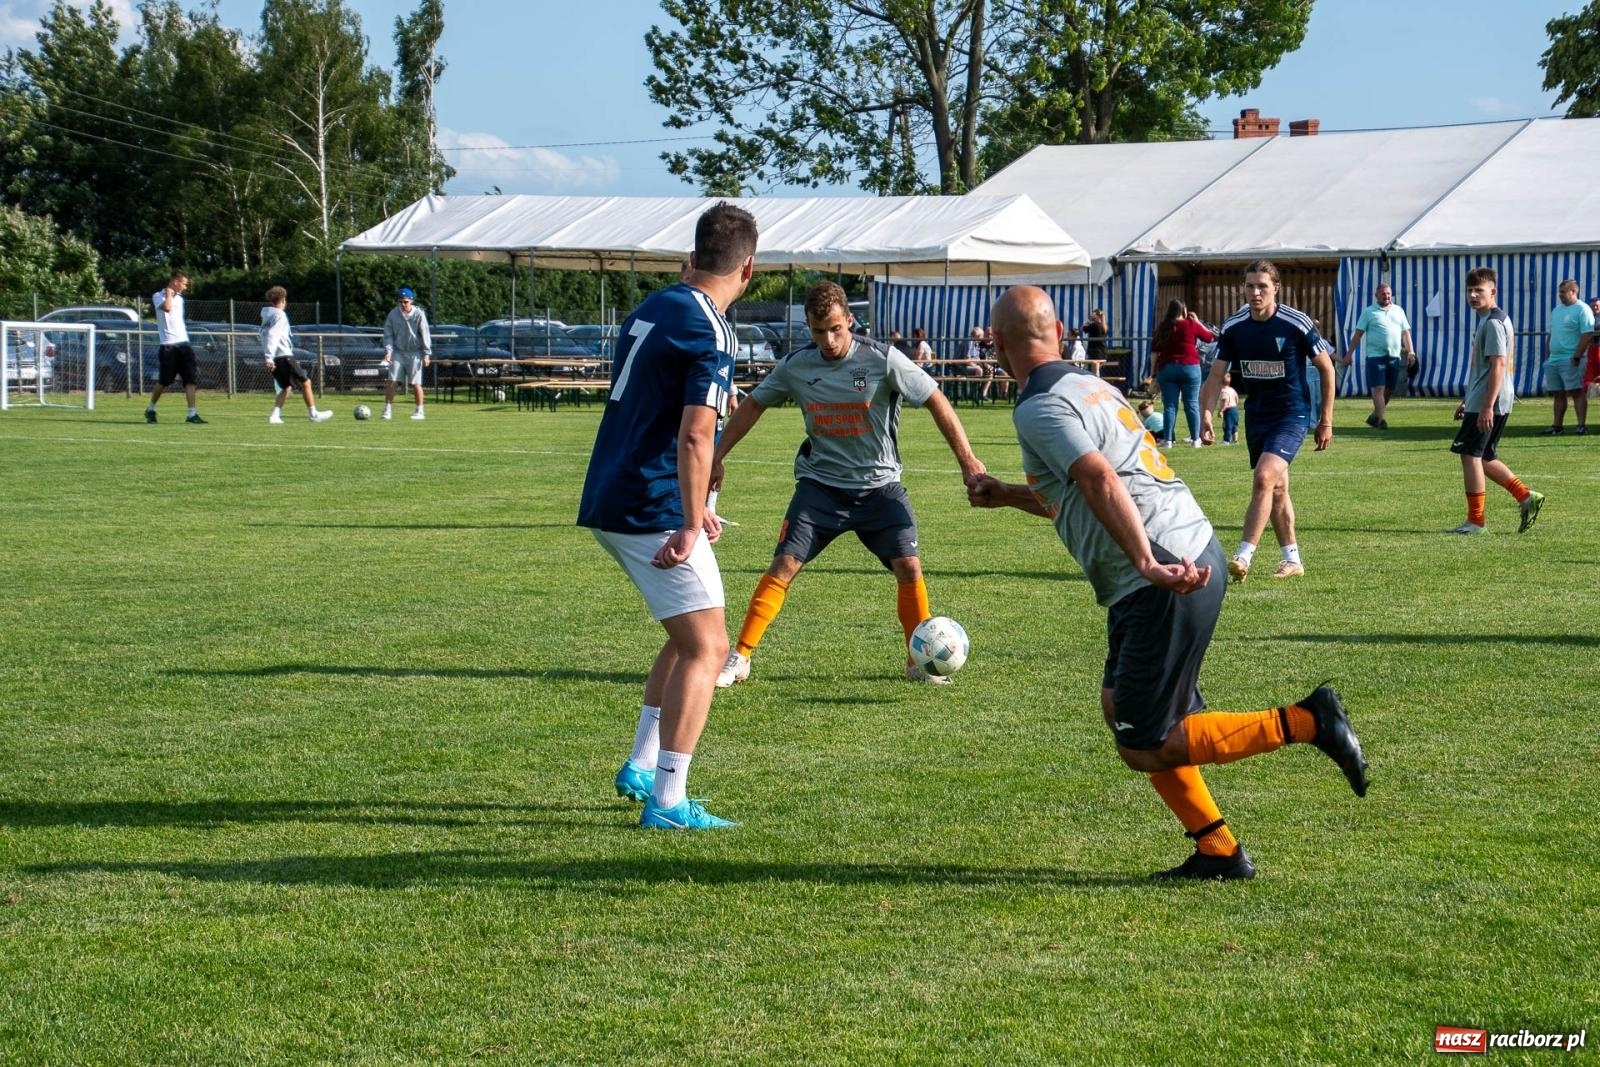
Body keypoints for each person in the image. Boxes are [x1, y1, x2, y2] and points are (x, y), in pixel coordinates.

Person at [966, 285, 1368, 881]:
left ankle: (1309, 721)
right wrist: (1007, 496)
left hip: (1160, 570)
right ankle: (1217, 850)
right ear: (1056, 333)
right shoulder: (1091, 386)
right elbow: (1082, 494)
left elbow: (1102, 481)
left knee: (1144, 741)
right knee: (1119, 709)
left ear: (996, 343)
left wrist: (1150, 566)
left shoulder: (1039, 405)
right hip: (1182, 547)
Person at [577, 202, 757, 831]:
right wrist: (690, 517)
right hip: (647, 501)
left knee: (686, 634)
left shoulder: (655, 305)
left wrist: (699, 503)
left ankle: (640, 765)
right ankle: (669, 800)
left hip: (613, 489)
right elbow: (694, 436)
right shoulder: (712, 326)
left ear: (692, 256)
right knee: (710, 647)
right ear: (749, 268)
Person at [711, 281, 986, 688]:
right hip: (820, 487)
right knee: (784, 564)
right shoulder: (796, 366)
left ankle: (915, 662)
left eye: (836, 329)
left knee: (909, 566)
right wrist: (717, 455)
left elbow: (934, 398)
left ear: (850, 321)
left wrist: (968, 460)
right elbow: (753, 405)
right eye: (819, 331)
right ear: (808, 326)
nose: (828, 339)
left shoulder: (881, 358)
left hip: (880, 488)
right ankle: (741, 656)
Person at [1199, 260, 1336, 582]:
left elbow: (1327, 368)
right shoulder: (1234, 326)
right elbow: (1216, 374)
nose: (1255, 292)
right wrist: (1206, 414)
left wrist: (1326, 420)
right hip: (1256, 415)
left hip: (1292, 414)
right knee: (1276, 489)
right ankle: (1292, 559)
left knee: (1264, 477)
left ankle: (1243, 556)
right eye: (1250, 286)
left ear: (1276, 288)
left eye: (1262, 286)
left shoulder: (1296, 323)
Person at [1448, 267, 1544, 535]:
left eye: (1479, 290)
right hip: (1487, 398)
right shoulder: (1490, 319)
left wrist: (1486, 405)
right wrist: (1469, 399)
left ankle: (1476, 522)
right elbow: (1486, 369)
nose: (1472, 295)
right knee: (1485, 456)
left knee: (1470, 455)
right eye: (1469, 290)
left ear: (1493, 291)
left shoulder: (1493, 322)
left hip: (1490, 401)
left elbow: (1499, 365)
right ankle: (1526, 497)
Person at [1341, 283, 1415, 429]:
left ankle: (1375, 416)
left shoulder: (1398, 310)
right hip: (1375, 357)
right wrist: (1349, 354)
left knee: (1390, 389)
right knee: (1379, 389)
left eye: (1388, 294)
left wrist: (1411, 351)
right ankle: (1380, 420)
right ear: (1376, 296)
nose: (1386, 296)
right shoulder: (1368, 312)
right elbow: (1358, 335)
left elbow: (1405, 333)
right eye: (1383, 294)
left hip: (1394, 356)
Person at [261, 287, 334, 424]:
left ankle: (275, 416)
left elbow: (266, 336)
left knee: (286, 387)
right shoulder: (280, 315)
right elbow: (272, 335)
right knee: (306, 382)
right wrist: (269, 357)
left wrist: (269, 356)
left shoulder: (268, 316)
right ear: (283, 300)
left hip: (277, 357)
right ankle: (313, 414)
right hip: (283, 356)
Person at [1151, 299, 1214, 448]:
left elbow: (1154, 351)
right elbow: (1209, 337)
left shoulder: (1163, 327)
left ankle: (1168, 440)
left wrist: (1153, 371)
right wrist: (1197, 322)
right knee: (1191, 404)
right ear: (1183, 311)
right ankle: (1195, 439)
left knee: (1170, 406)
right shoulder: (1190, 324)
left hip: (1167, 368)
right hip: (1190, 367)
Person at [145, 270, 205, 424]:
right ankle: (151, 408)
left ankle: (192, 414)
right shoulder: (158, 296)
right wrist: (169, 294)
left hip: (184, 344)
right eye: (184, 283)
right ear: (175, 281)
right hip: (168, 346)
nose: (185, 287)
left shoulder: (181, 299)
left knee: (190, 379)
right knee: (164, 381)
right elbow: (167, 308)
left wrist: (173, 295)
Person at [1540, 278, 1593, 435]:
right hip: (1554, 359)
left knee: (1576, 391)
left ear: (1573, 291)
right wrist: (1548, 354)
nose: (1560, 295)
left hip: (1571, 359)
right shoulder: (1557, 310)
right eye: (1559, 292)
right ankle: (1557, 426)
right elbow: (1551, 333)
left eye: (1563, 292)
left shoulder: (1582, 309)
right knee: (1558, 394)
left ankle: (1581, 425)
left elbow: (1587, 334)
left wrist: (1577, 356)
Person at [381, 287, 432, 421]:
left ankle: (419, 410)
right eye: (401, 302)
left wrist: (426, 354)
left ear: (411, 301)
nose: (403, 305)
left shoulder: (419, 314)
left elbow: (425, 334)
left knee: (415, 383)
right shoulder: (393, 314)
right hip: (398, 352)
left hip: (415, 353)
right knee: (392, 381)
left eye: (406, 302)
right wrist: (389, 351)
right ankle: (387, 409)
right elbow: (388, 335)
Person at [1217, 372, 1240, 445]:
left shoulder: (1223, 391)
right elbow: (1237, 398)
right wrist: (1235, 405)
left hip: (1228, 411)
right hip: (1235, 409)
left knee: (1227, 426)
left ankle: (1226, 440)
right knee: (1234, 426)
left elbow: (1225, 402)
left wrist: (1221, 411)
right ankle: (1235, 440)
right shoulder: (1232, 389)